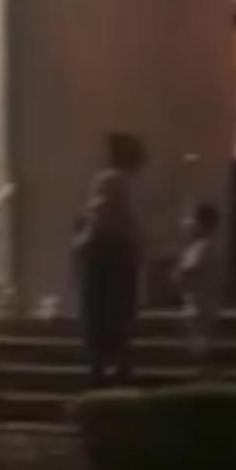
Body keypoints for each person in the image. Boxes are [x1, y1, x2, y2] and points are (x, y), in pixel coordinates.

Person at [72, 133, 147, 387]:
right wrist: (137, 239)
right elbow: (111, 215)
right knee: (113, 308)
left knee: (105, 309)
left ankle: (105, 363)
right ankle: (110, 365)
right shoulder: (114, 179)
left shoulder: (111, 179)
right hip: (110, 250)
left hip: (105, 248)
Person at [174, 202, 223, 373]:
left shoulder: (198, 249)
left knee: (197, 349)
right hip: (209, 304)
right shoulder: (214, 247)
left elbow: (184, 275)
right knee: (204, 344)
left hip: (196, 307)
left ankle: (201, 376)